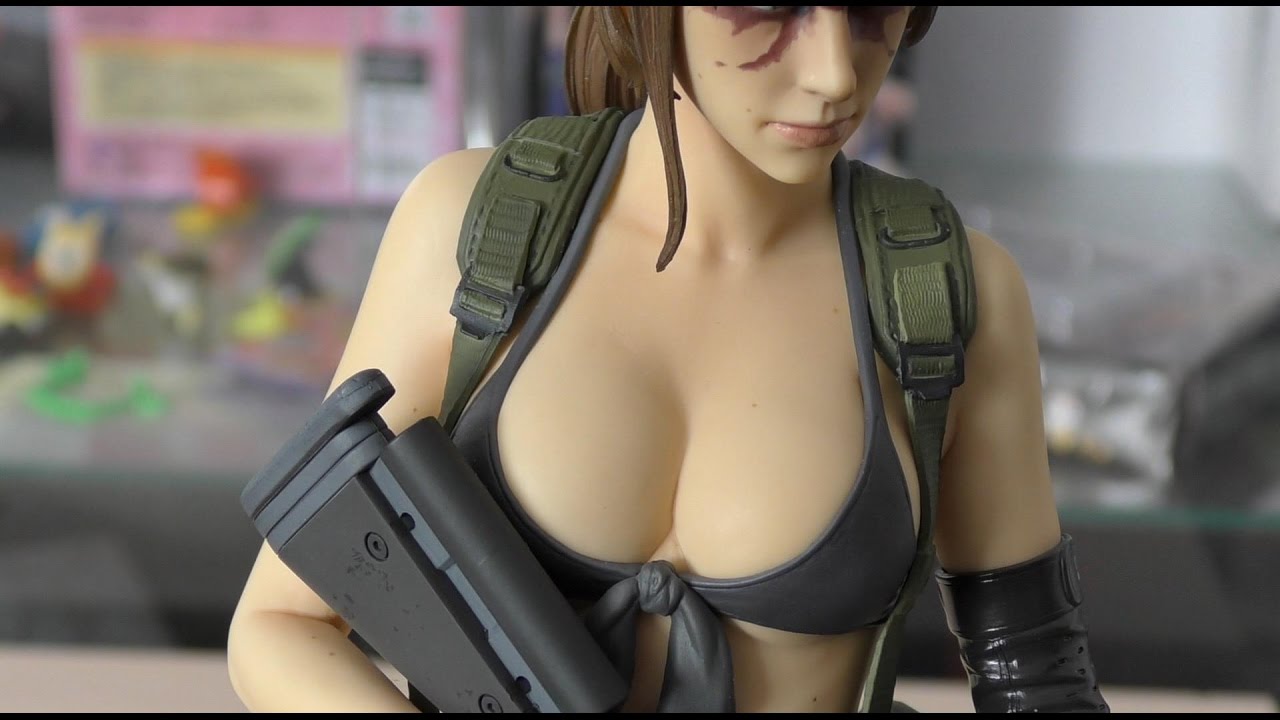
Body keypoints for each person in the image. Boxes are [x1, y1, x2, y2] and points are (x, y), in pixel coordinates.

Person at [228, 6, 1107, 713]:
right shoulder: (475, 232)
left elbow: (1037, 680)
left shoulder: (949, 293)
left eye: (872, 9)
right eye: (770, 9)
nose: (837, 73)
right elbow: (280, 624)